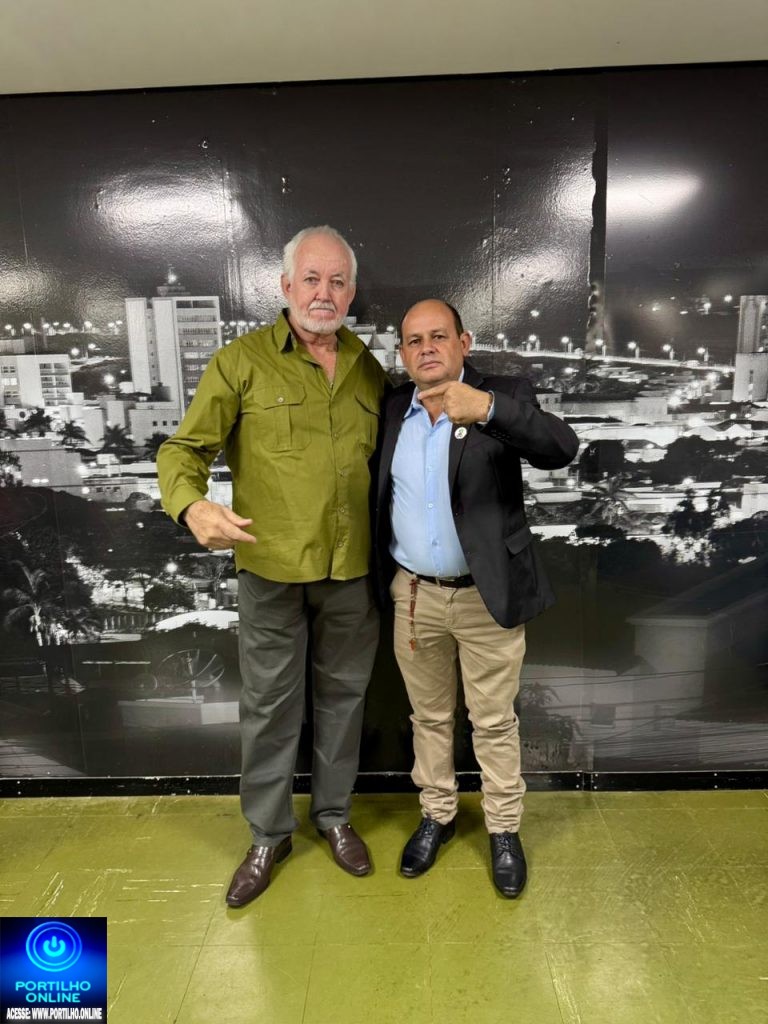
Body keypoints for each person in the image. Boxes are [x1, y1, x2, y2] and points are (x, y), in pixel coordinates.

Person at [157, 226, 389, 907]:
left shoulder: (368, 369)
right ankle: (267, 834)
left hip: (352, 572)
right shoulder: (241, 362)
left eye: (337, 281)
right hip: (270, 571)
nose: (324, 293)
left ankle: (334, 817)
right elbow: (182, 450)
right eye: (311, 279)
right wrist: (192, 506)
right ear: (286, 286)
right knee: (268, 709)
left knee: (344, 703)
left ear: (351, 291)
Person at [372, 299, 578, 897]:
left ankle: (503, 829)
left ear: (464, 343)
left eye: (438, 336)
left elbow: (560, 449)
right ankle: (436, 815)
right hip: (414, 595)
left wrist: (487, 409)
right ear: (402, 354)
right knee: (429, 718)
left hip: (486, 596)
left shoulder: (502, 395)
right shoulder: (393, 409)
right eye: (414, 341)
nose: (427, 349)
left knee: (492, 721)